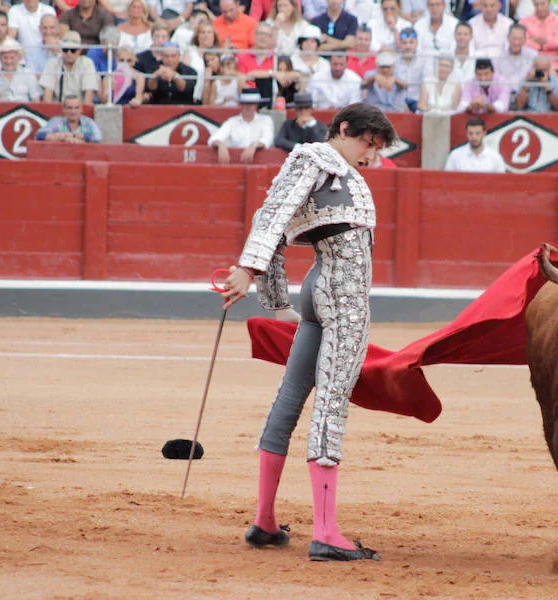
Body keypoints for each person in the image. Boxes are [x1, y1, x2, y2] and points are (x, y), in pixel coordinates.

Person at [221, 102, 398, 563]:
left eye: (377, 149)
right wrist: (248, 269)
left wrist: (278, 300)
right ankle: (325, 532)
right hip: (343, 298)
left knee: (291, 396)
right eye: (366, 143)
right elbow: (272, 218)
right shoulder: (315, 159)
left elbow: (277, 225)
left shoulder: (335, 172)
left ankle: (265, 521)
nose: (370, 155)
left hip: (319, 291)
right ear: (342, 130)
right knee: (331, 400)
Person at [208, 89, 274, 163]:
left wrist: (254, 146)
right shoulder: (232, 121)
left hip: (260, 163)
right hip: (236, 164)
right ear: (241, 104)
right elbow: (213, 139)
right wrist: (220, 145)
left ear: (257, 105)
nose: (248, 106)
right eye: (245, 103)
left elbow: (267, 139)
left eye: (251, 104)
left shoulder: (265, 120)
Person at [40, 31, 99, 104]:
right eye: (65, 50)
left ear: (79, 51)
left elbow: (89, 95)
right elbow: (47, 96)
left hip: (78, 109)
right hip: (57, 108)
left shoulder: (87, 63)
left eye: (73, 50)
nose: (69, 53)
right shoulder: (52, 63)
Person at [0, 37, 43, 101]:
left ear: (18, 58)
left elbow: (36, 100)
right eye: (5, 58)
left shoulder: (28, 75)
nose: (9, 62)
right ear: (0, 58)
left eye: (12, 58)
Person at [519, 0, 558, 71]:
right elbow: (523, 43)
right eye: (536, 4)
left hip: (554, 65)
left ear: (549, 3)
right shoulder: (524, 22)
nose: (539, 7)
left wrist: (536, 42)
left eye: (542, 4)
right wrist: (546, 43)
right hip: (530, 65)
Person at [34, 95, 103, 143]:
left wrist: (73, 136)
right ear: (64, 109)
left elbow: (98, 137)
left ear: (81, 109)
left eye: (76, 108)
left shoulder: (88, 122)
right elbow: (39, 135)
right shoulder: (56, 121)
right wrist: (59, 138)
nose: (73, 111)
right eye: (70, 108)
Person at [494, 24, 537, 97]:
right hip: (504, 95)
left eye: (520, 39)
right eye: (514, 38)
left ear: (525, 40)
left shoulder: (533, 55)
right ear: (508, 38)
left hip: (527, 95)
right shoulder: (498, 57)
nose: (516, 42)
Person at [393, 27, 424, 111]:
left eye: (411, 42)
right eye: (404, 43)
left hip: (418, 103)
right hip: (398, 104)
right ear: (400, 44)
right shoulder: (394, 61)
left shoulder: (423, 61)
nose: (408, 46)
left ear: (416, 43)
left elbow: (426, 84)